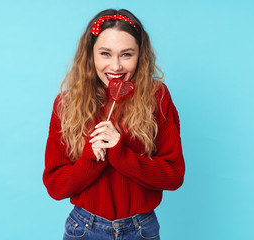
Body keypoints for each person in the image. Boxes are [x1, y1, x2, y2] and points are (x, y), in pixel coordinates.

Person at [43, 8, 185, 240]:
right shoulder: (67, 103)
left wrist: (121, 155)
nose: (116, 66)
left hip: (141, 229)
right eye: (105, 54)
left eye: (126, 54)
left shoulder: (157, 96)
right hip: (84, 228)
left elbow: (174, 175)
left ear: (141, 56)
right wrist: (91, 158)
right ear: (90, 55)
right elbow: (56, 187)